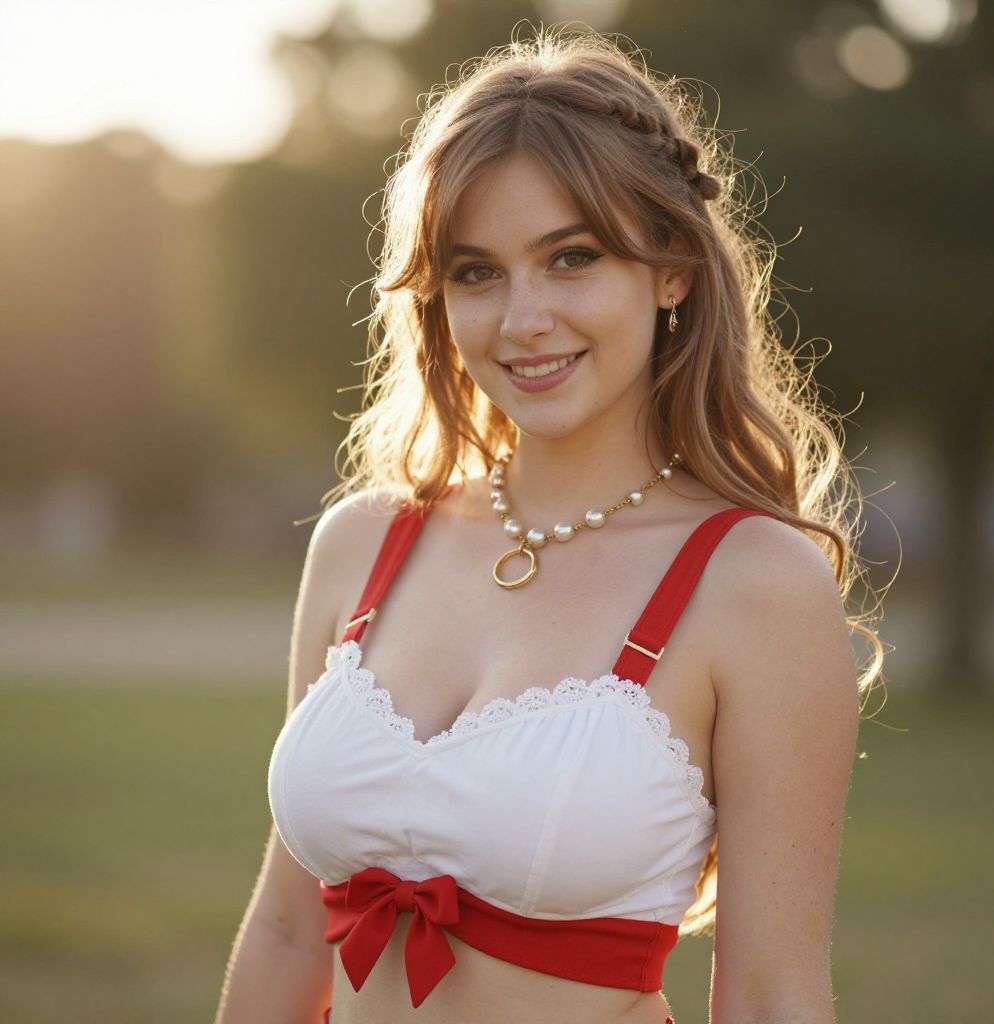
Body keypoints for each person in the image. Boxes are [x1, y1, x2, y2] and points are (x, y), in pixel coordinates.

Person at [215, 24, 884, 1024]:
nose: (521, 319)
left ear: (670, 271)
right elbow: (282, 929)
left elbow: (770, 992)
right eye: (476, 272)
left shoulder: (752, 581)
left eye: (569, 258)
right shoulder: (362, 542)